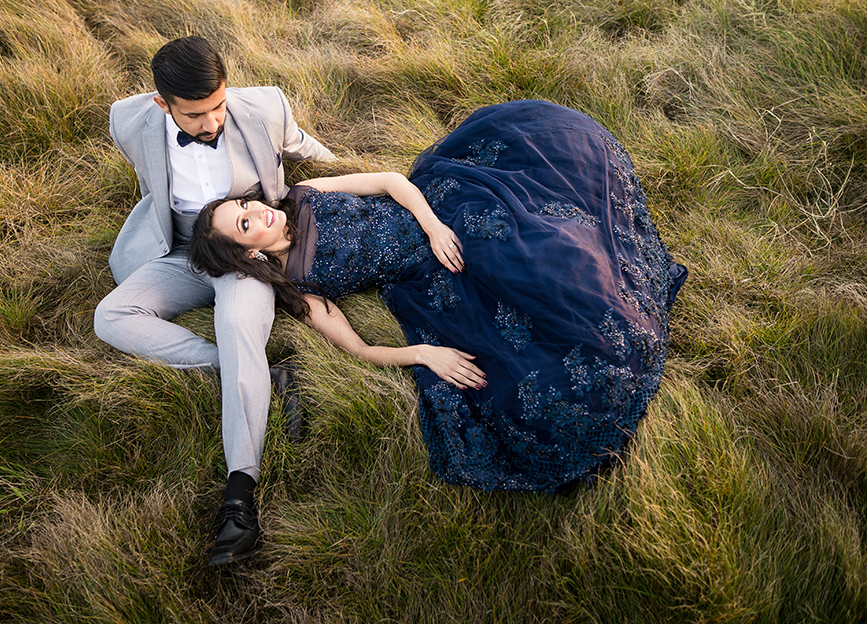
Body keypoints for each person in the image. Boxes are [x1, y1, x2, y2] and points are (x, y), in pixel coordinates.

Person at [190, 100, 687, 493]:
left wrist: (432, 226)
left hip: (438, 212)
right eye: (245, 222)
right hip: (426, 279)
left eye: (243, 204)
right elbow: (360, 349)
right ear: (249, 256)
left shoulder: (303, 193)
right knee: (537, 333)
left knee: (541, 235)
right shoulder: (300, 291)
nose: (257, 210)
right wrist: (426, 353)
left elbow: (387, 181)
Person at [93, 35, 336, 564]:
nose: (213, 123)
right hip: (179, 249)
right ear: (163, 105)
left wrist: (343, 166)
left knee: (237, 325)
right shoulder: (128, 120)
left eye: (218, 106)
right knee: (109, 315)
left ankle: (239, 498)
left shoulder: (264, 106)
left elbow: (299, 144)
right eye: (196, 115)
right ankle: (254, 373)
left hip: (243, 255)